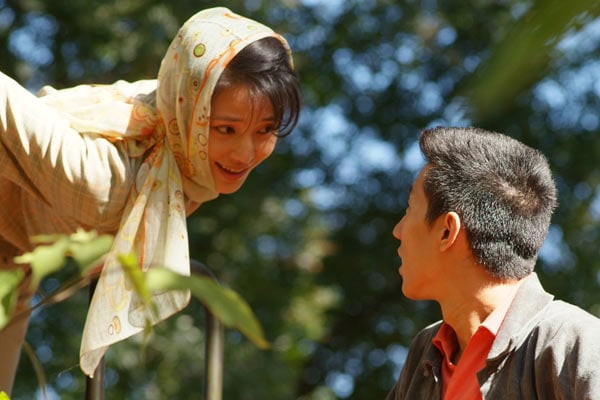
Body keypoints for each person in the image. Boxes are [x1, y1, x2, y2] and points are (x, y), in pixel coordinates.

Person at [0, 7, 301, 394]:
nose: (246, 153)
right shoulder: (103, 181)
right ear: (189, 111)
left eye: (266, 130)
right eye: (226, 129)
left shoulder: (175, 129)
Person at [386, 127, 600, 399]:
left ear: (446, 231)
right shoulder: (426, 353)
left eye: (409, 208)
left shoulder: (573, 344)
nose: (397, 230)